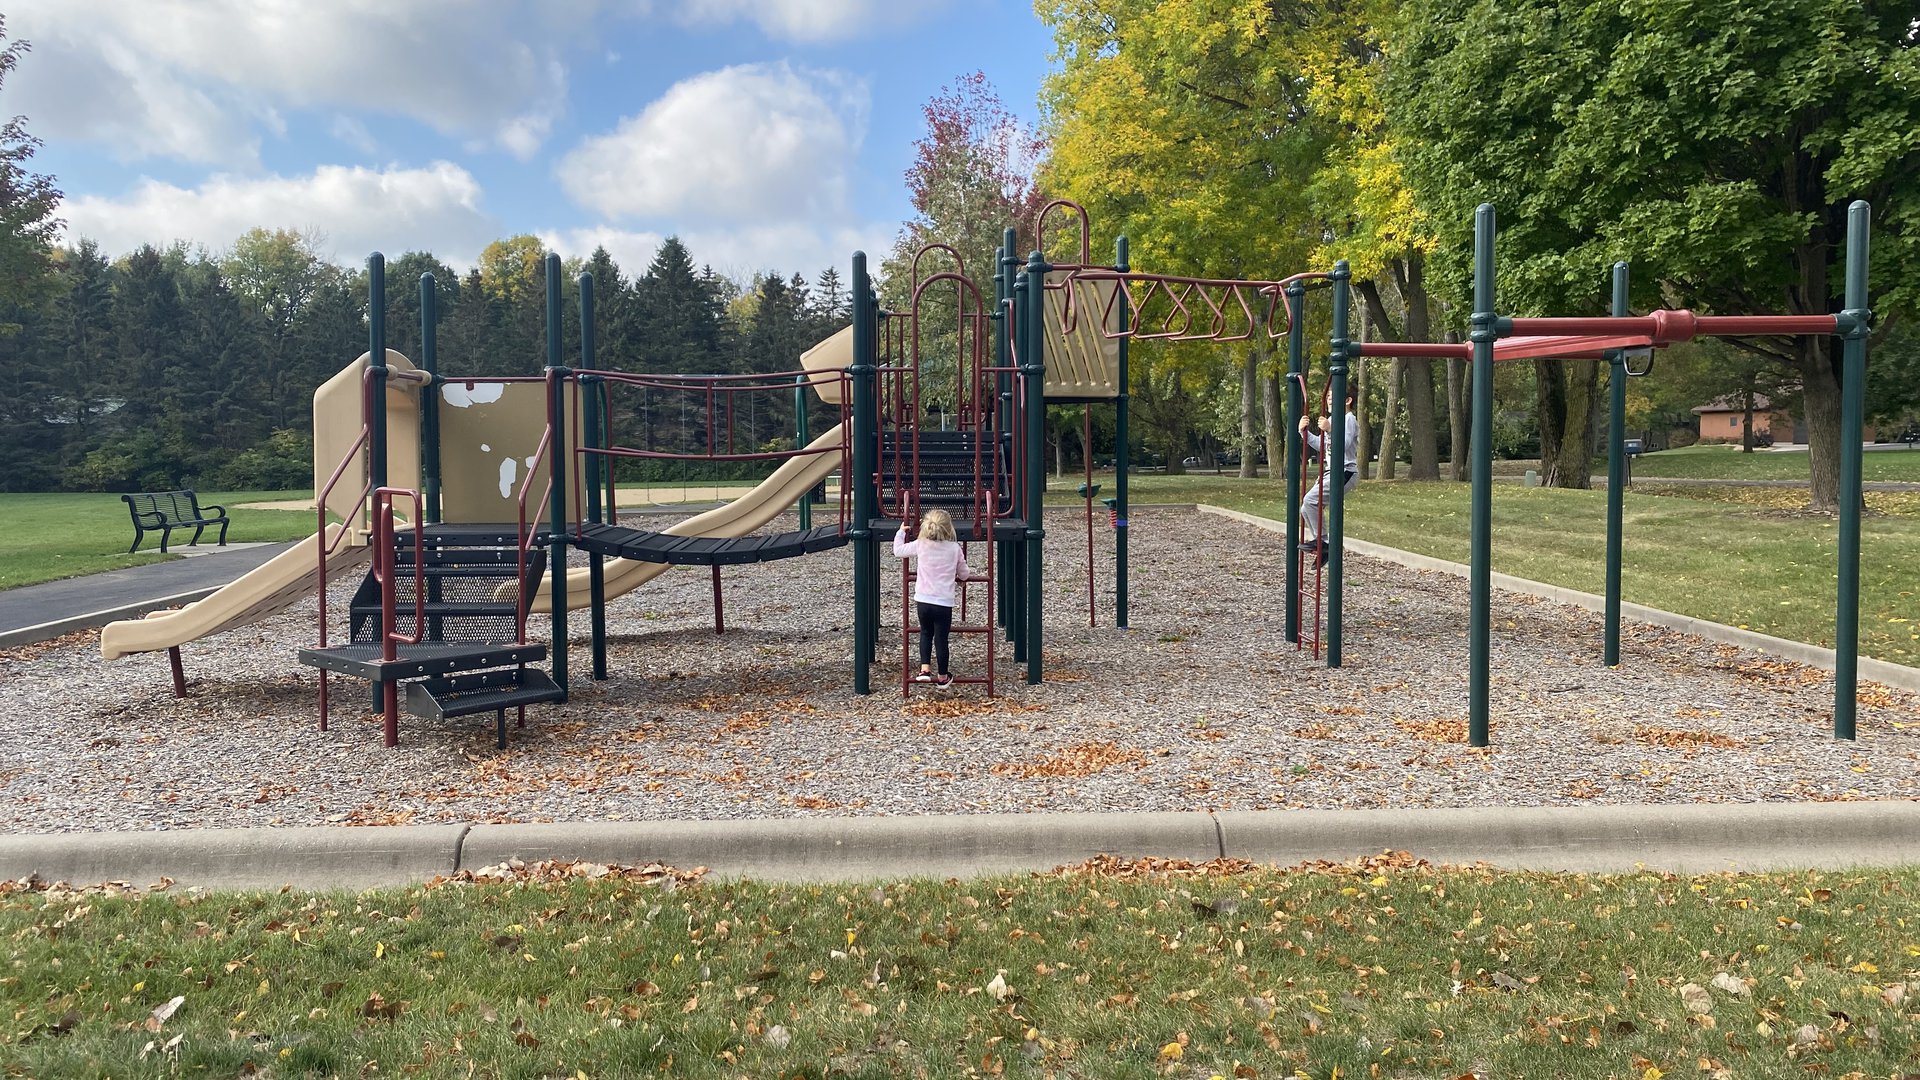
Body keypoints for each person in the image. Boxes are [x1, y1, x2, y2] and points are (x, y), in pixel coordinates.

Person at [892, 508, 971, 688]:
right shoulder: (954, 548)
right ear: (948, 528)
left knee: (925, 633)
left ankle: (924, 670)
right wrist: (962, 580)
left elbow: (898, 551)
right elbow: (964, 573)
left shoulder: (921, 544)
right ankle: (943, 677)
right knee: (941, 639)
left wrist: (900, 532)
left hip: (923, 599)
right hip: (943, 602)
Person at [1299, 390, 1358, 567]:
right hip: (1331, 471)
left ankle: (1324, 543)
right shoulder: (1332, 420)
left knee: (1310, 501)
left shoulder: (1348, 419)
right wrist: (1304, 433)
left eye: (1334, 396)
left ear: (1347, 400)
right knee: (1306, 507)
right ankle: (1323, 544)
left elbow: (1344, 444)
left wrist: (1331, 429)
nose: (1329, 399)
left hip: (1345, 471)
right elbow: (1323, 445)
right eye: (1328, 397)